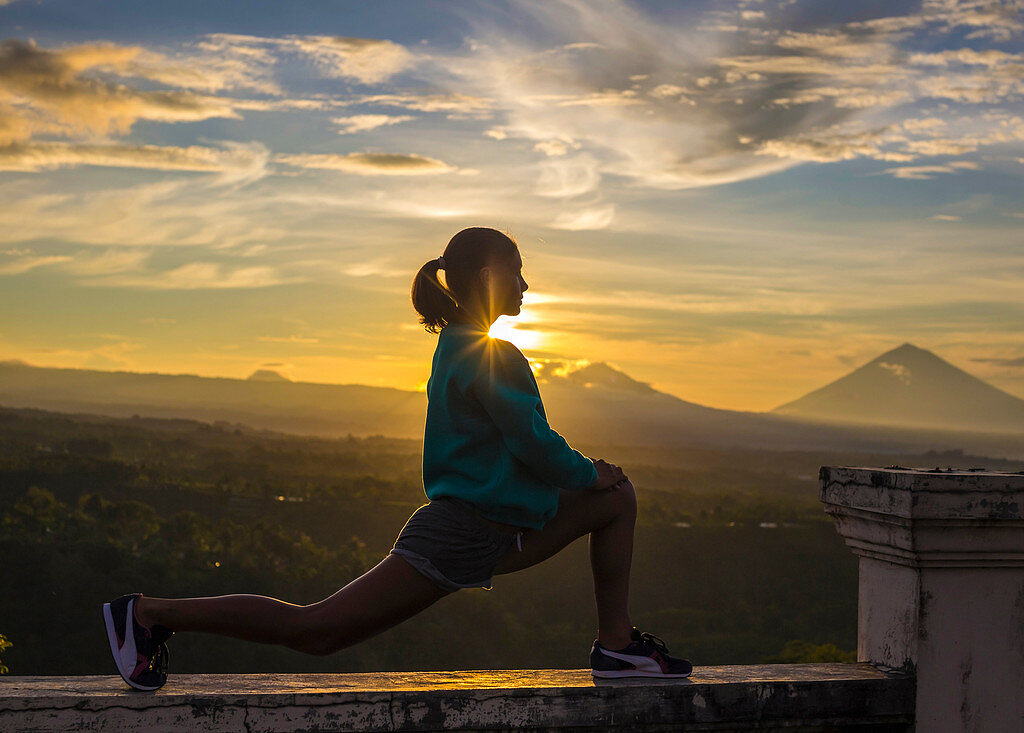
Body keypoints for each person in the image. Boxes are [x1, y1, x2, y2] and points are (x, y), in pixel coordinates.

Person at [103, 226, 691, 691]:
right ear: (489, 276)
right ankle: (149, 613)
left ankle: (617, 647)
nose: (526, 286)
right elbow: (533, 442)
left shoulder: (454, 345)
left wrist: (594, 486)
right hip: (461, 534)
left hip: (490, 528)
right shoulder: (493, 354)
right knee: (317, 630)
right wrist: (591, 471)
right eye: (518, 272)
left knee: (617, 502)